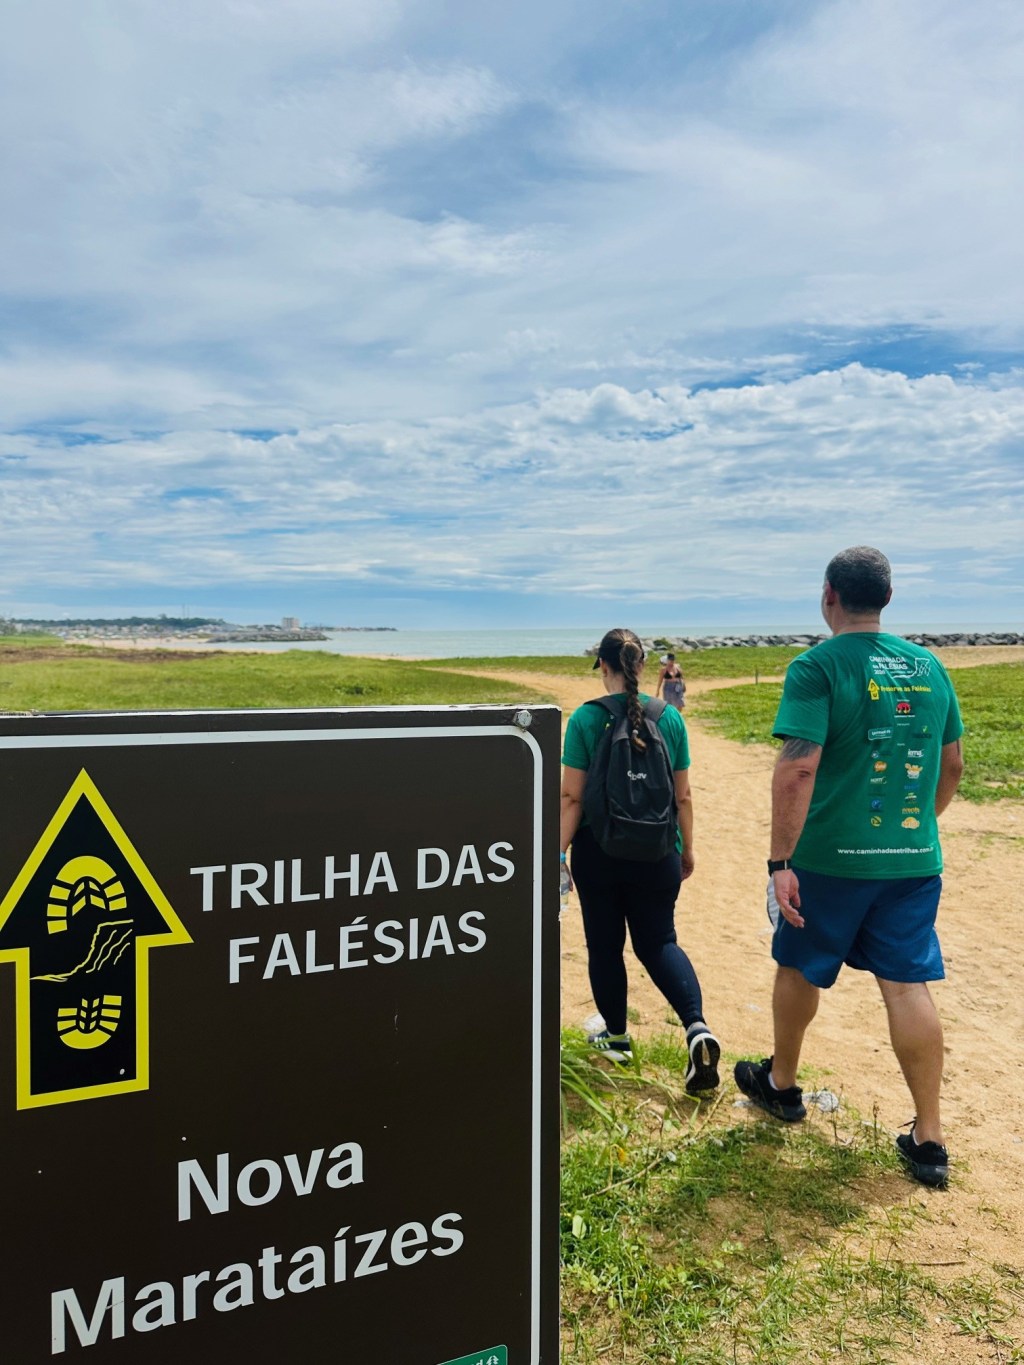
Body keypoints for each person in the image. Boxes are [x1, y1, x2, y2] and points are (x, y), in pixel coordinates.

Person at [734, 547, 964, 1189]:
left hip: (830, 860)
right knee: (907, 985)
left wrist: (781, 860)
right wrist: (917, 827)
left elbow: (799, 766)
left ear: (828, 594)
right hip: (913, 860)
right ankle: (928, 1136)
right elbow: (950, 768)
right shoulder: (929, 665)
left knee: (799, 964)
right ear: (886, 598)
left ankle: (782, 1083)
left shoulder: (816, 666)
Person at [560, 627, 720, 1095]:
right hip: (658, 852)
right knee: (659, 942)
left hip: (599, 852)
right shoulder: (670, 719)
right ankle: (696, 1027)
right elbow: (684, 796)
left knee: (605, 947)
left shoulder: (587, 720)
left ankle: (617, 1039)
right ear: (643, 667)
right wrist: (686, 848)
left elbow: (571, 798)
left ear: (604, 667)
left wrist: (557, 856)